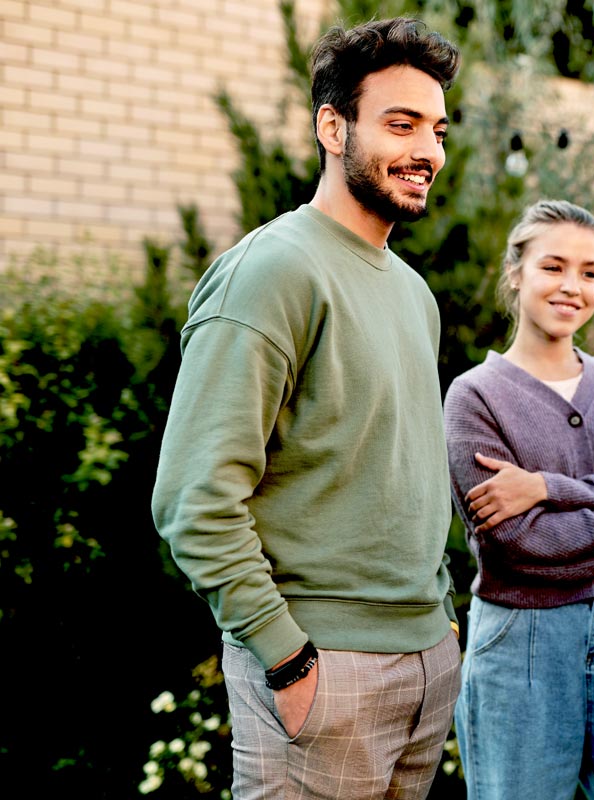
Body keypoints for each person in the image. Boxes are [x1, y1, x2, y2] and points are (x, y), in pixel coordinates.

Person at [152, 19, 462, 799]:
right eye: (400, 124)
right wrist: (284, 655)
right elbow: (194, 497)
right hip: (324, 668)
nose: (426, 150)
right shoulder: (273, 272)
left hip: (426, 662)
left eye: (437, 130)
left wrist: (444, 616)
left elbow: (403, 471)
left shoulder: (413, 293)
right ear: (333, 126)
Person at [442, 200, 594, 800]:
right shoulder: (475, 397)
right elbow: (516, 542)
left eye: (590, 271)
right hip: (521, 646)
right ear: (517, 273)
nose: (572, 287)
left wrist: (545, 487)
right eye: (553, 267)